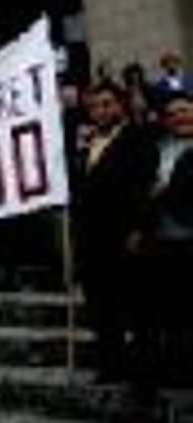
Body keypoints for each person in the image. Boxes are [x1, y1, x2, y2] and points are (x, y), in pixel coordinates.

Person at [72, 80, 158, 382]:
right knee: (101, 307)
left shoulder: (139, 137)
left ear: (120, 105)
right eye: (94, 106)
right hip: (91, 241)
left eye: (107, 103)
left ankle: (144, 371)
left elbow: (147, 186)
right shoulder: (86, 144)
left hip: (125, 237)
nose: (100, 110)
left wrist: (139, 229)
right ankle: (112, 365)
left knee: (135, 307)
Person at [143, 96, 193, 385]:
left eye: (185, 111)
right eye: (172, 113)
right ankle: (176, 369)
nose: (179, 117)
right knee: (171, 311)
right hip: (163, 240)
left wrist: (167, 191)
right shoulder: (158, 148)